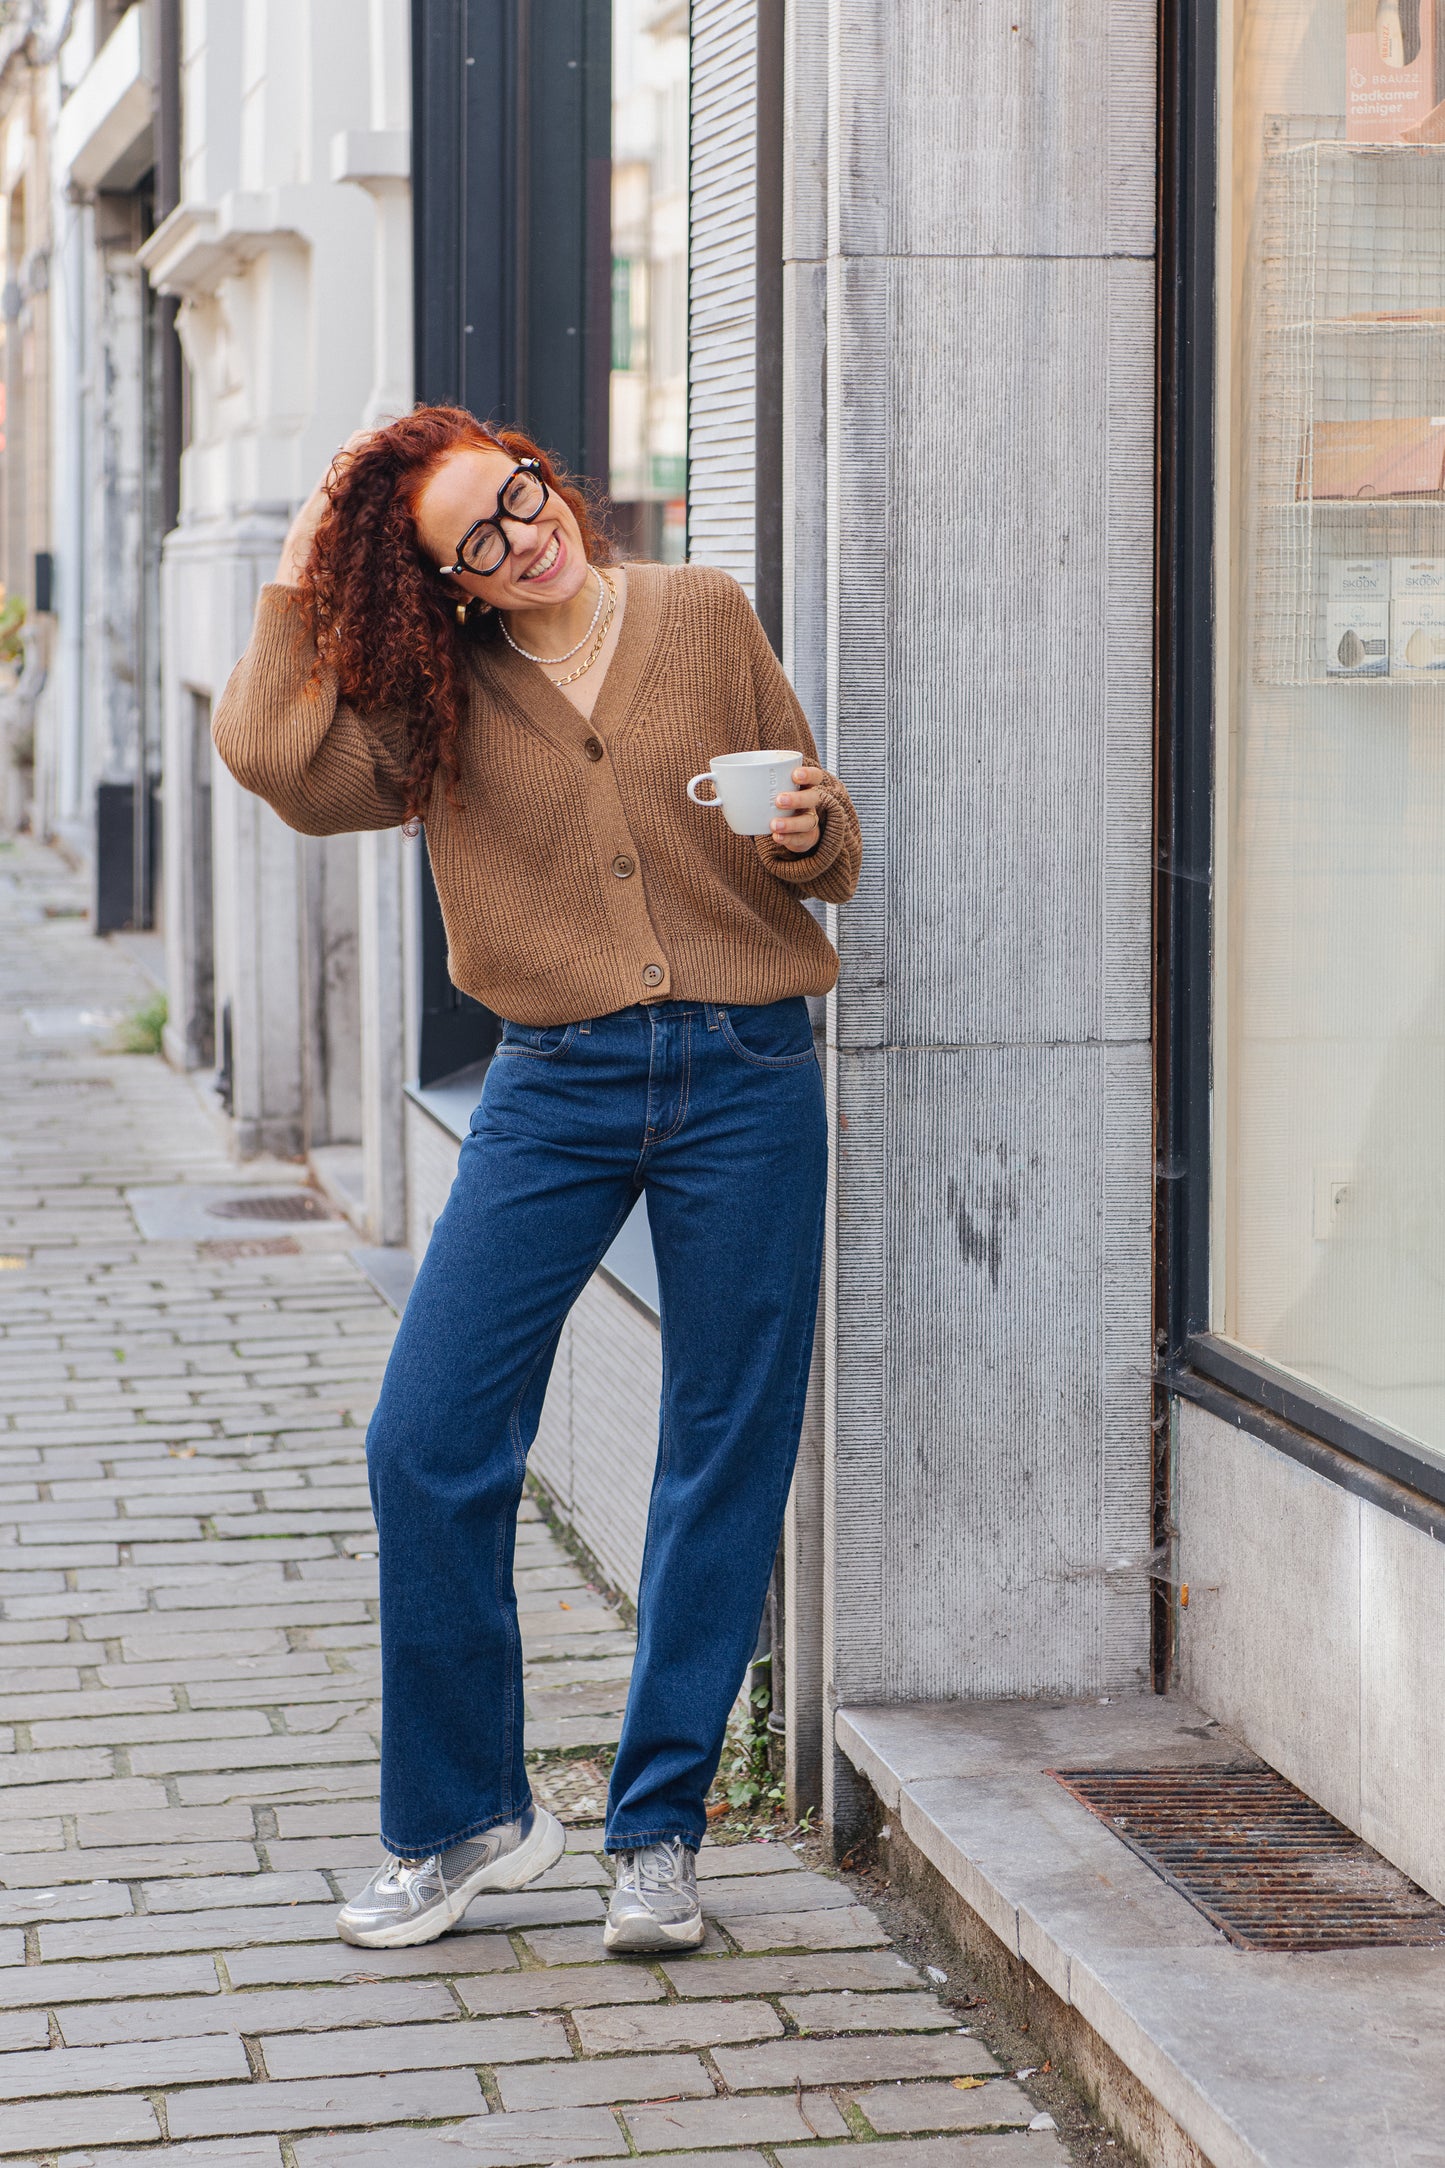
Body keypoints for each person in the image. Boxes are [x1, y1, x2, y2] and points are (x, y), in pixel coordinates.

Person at [212, 405, 861, 1953]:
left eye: (518, 497)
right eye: (477, 544)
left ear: (543, 473)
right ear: (445, 584)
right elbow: (274, 757)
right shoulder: (429, 700)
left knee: (722, 1446)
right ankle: (467, 1821)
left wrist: (805, 830)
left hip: (747, 1072)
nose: (523, 538)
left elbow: (828, 849)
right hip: (552, 1087)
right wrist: (304, 564)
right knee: (426, 1439)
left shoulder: (701, 611)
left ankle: (659, 1835)